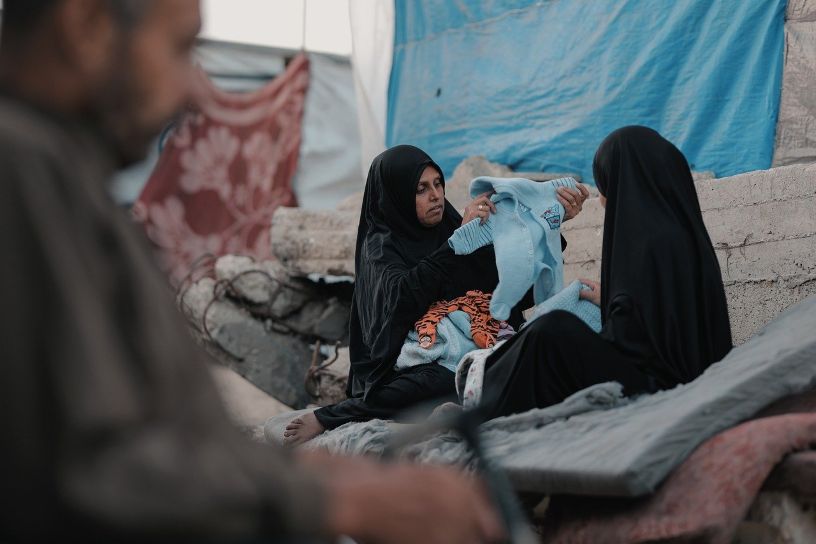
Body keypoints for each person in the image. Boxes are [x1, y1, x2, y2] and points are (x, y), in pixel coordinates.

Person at [0, 1, 506, 542]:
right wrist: (330, 495)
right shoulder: (21, 170)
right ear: (86, 27)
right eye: (180, 48)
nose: (196, 90)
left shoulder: (65, 181)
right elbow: (94, 463)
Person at [284, 145, 590, 445]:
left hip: (478, 344)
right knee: (431, 384)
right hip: (418, 360)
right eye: (420, 189)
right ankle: (331, 416)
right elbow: (401, 301)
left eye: (438, 184)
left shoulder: (451, 227)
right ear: (397, 195)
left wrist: (550, 223)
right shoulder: (381, 249)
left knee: (550, 336)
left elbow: (515, 293)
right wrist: (458, 243)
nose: (435, 195)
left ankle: (477, 393)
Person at [480, 126, 733, 420]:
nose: (602, 201)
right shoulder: (677, 235)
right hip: (678, 376)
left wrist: (612, 311)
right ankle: (482, 391)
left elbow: (634, 346)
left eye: (607, 187)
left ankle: (481, 401)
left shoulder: (651, 243)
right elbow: (659, 321)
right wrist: (615, 300)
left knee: (551, 332)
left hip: (661, 388)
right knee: (553, 331)